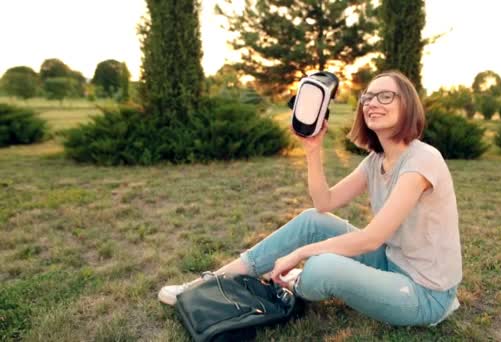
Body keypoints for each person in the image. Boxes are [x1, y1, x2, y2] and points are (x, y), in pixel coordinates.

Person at [158, 70, 462, 327]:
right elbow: (324, 203)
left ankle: (288, 282)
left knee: (321, 267)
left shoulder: (423, 160)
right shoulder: (375, 161)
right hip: (390, 263)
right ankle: (206, 283)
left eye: (386, 96)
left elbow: (372, 238)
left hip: (424, 292)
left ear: (407, 105)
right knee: (311, 220)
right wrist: (312, 150)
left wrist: (299, 253)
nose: (372, 103)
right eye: (367, 96)